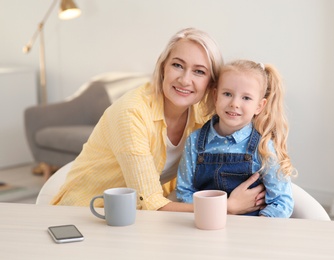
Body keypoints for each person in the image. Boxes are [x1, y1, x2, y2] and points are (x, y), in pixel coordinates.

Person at [51, 28, 265, 214]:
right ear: (163, 67)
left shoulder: (203, 112)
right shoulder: (131, 113)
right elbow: (151, 204)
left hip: (141, 218)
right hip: (86, 213)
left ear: (211, 83)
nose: (184, 79)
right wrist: (226, 207)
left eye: (199, 71)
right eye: (177, 65)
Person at [176, 60, 297, 217]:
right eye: (227, 94)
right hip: (206, 225)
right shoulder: (195, 141)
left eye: (246, 98)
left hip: (251, 231)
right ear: (215, 96)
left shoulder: (264, 146)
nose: (234, 103)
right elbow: (184, 191)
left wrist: (258, 227)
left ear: (259, 106)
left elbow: (281, 201)